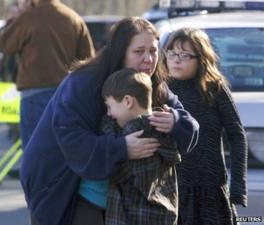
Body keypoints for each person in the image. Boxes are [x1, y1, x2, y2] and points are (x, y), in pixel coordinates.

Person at [20, 17, 199, 225]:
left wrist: (175, 121)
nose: (148, 59)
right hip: (61, 186)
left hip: (120, 199)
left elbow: (191, 128)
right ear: (120, 52)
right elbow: (71, 138)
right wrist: (122, 148)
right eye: (139, 51)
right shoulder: (83, 82)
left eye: (153, 50)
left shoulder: (151, 83)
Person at [161, 28, 247, 225]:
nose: (176, 59)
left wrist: (237, 187)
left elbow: (237, 134)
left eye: (184, 55)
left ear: (201, 59)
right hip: (172, 189)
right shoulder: (161, 89)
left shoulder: (214, 88)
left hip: (210, 186)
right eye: (171, 53)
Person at [0, 0, 94, 149]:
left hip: (35, 94)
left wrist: (16, 17)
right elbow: (88, 61)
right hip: (67, 96)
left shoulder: (28, 17)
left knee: (34, 154)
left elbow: (5, 43)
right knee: (64, 152)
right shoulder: (73, 18)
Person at [100, 68, 181, 225]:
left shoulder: (136, 134)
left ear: (128, 101)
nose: (109, 114)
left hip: (136, 218)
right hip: (164, 215)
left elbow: (115, 172)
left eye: (109, 106)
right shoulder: (164, 129)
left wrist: (107, 131)